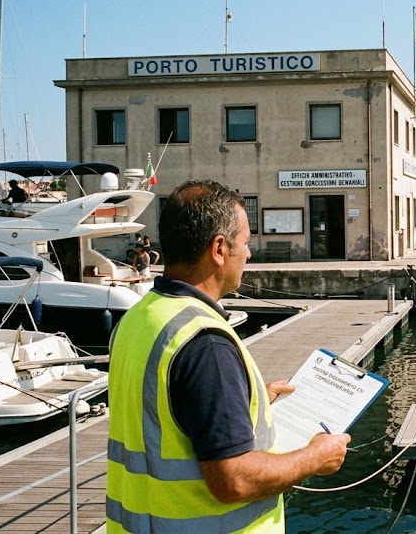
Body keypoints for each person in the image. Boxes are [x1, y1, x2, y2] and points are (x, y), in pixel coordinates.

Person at [106, 180, 349, 532]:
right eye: (245, 243)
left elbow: (163, 414)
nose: (248, 254)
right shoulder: (206, 343)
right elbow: (233, 480)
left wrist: (250, 399)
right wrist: (315, 458)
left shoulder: (139, 318)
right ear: (219, 249)